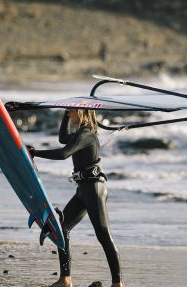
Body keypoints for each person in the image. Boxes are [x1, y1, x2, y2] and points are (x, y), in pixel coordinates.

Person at [28, 109, 124, 287]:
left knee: (103, 234)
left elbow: (64, 153)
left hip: (94, 188)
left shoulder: (87, 134)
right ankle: (66, 279)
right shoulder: (80, 134)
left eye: (71, 110)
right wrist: (65, 114)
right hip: (83, 189)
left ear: (82, 112)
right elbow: (63, 138)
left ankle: (118, 283)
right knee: (61, 229)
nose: (69, 113)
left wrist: (35, 153)